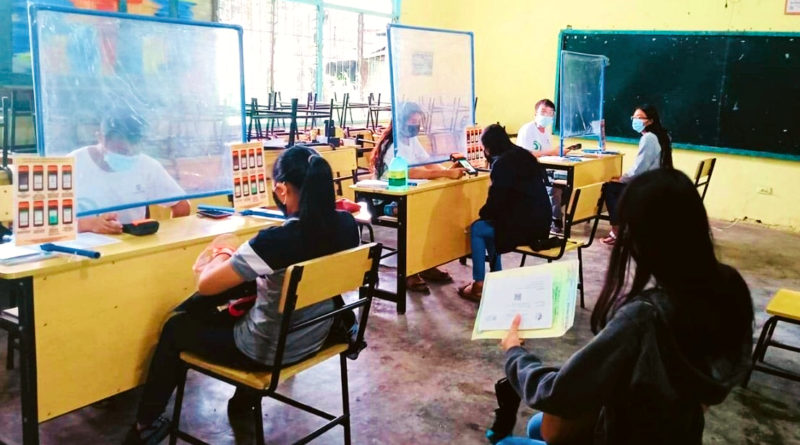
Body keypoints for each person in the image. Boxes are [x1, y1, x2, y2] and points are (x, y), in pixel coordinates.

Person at [490, 168, 753, 445]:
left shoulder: (644, 317)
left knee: (510, 441)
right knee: (536, 426)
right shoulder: (730, 285)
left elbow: (557, 395)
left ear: (641, 237)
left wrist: (514, 353)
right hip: (682, 431)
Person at [123, 146, 360, 445]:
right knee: (252, 304)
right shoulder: (346, 226)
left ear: (281, 190)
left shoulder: (274, 243)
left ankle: (145, 423)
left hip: (267, 351)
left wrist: (224, 250)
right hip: (316, 334)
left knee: (176, 327)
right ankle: (243, 401)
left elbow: (206, 286)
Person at [370, 103, 466, 293]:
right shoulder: (392, 145)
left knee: (435, 209)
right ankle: (409, 271)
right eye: (412, 121)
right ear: (400, 122)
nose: (416, 125)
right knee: (418, 214)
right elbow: (409, 172)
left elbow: (427, 163)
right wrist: (446, 175)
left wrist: (447, 171)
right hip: (387, 200)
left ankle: (427, 263)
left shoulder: (412, 141)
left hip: (410, 194)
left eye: (418, 121)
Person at [457, 124, 552, 302]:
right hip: (542, 223)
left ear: (488, 147)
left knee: (478, 228)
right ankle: (496, 278)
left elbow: (495, 202)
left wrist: (482, 214)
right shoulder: (523, 155)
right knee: (493, 224)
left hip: (525, 229)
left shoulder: (501, 163)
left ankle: (479, 284)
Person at [69, 112, 190, 234]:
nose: (128, 156)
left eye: (133, 152)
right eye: (120, 151)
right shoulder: (73, 164)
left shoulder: (147, 166)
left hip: (131, 249)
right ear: (101, 138)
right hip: (83, 250)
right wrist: (88, 224)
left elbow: (182, 206)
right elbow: (51, 224)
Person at [601, 104, 673, 244]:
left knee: (610, 188)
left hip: (648, 187)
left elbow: (639, 169)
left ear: (650, 121)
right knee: (616, 185)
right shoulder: (663, 136)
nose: (635, 120)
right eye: (634, 117)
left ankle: (617, 231)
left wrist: (621, 178)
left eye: (640, 118)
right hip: (659, 183)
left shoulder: (649, 138)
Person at [516, 99, 567, 233]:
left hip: (543, 169)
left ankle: (553, 218)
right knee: (555, 187)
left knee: (563, 183)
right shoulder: (527, 129)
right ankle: (554, 220)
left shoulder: (547, 132)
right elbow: (525, 154)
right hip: (528, 171)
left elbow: (546, 154)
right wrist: (552, 152)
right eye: (543, 112)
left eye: (550, 113)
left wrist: (559, 152)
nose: (547, 116)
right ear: (535, 114)